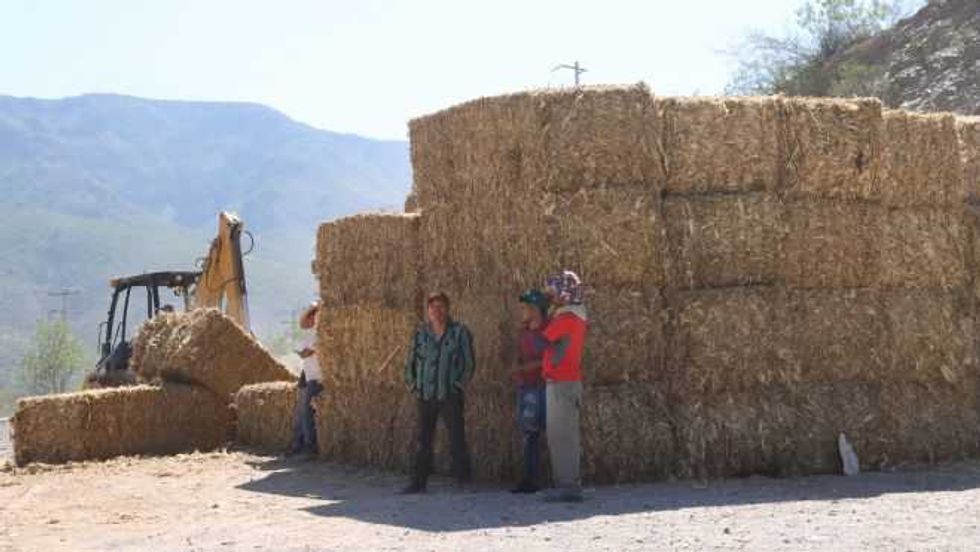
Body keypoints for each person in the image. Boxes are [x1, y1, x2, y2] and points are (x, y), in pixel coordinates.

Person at [401, 292, 475, 494]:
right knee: (423, 439)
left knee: (456, 437)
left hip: (449, 393)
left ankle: (463, 480)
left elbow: (468, 363)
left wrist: (458, 384)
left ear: (448, 308)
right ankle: (418, 482)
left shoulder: (459, 333)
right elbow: (411, 361)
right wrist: (413, 384)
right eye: (433, 308)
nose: (437, 311)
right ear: (428, 311)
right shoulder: (421, 334)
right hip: (426, 394)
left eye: (441, 307)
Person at [541, 270, 588, 502]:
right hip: (563, 380)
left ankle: (569, 486)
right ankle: (565, 483)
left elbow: (543, 338)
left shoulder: (568, 319)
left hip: (563, 381)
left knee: (563, 435)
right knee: (560, 434)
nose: (552, 298)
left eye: (554, 293)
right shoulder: (571, 316)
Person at [510, 289, 550, 494]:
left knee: (546, 432)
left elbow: (551, 358)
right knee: (528, 434)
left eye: (525, 307)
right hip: (526, 388)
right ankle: (529, 480)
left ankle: (552, 478)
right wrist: (517, 366)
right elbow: (519, 354)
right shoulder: (524, 332)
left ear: (535, 309)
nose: (522, 311)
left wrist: (523, 368)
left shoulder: (549, 330)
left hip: (543, 387)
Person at [289, 302, 322, 459]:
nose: (309, 320)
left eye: (310, 316)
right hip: (310, 375)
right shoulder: (312, 334)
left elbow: (306, 353)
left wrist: (300, 353)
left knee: (307, 411)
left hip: (316, 376)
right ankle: (301, 443)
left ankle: (310, 447)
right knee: (304, 411)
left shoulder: (319, 334)